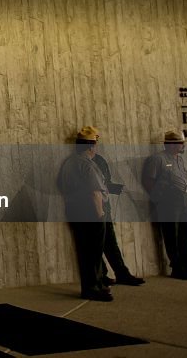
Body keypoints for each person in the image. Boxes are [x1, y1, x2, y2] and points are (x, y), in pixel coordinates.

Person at [56, 127, 111, 301]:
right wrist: (100, 214)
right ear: (91, 146)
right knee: (93, 252)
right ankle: (93, 287)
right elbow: (95, 192)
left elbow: (60, 184)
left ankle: (92, 285)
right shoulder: (86, 164)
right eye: (95, 144)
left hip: (74, 210)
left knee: (84, 251)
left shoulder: (69, 163)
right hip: (91, 212)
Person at [143, 130, 187, 280]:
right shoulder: (157, 159)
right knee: (171, 234)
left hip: (182, 198)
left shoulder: (179, 160)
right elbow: (149, 181)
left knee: (184, 233)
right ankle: (176, 268)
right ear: (171, 144)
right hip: (168, 201)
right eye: (180, 143)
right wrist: (159, 199)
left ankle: (186, 266)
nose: (183, 146)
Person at [92, 149, 145, 286]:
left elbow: (104, 182)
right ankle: (102, 275)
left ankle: (120, 273)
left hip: (104, 206)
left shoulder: (99, 160)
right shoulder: (82, 163)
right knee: (94, 245)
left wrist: (112, 188)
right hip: (92, 209)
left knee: (109, 242)